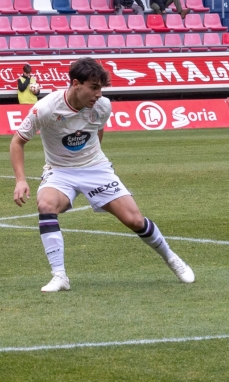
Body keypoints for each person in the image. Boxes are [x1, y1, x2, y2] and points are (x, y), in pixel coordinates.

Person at [10, 58, 195, 292]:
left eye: (101, 88)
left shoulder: (103, 106)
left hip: (95, 168)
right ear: (76, 84)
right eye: (94, 88)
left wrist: (96, 166)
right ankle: (59, 276)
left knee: (135, 220)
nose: (99, 94)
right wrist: (20, 180)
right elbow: (17, 141)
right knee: (46, 204)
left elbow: (97, 131)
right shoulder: (46, 108)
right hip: (59, 171)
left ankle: (171, 258)